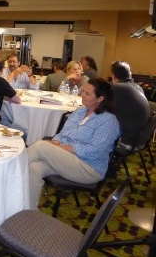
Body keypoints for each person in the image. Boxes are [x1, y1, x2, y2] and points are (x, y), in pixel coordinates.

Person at [26, 78, 120, 209]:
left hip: (89, 168)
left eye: (88, 94)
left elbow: (95, 150)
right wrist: (56, 142)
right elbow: (62, 134)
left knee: (41, 146)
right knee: (34, 168)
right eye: (83, 92)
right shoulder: (80, 111)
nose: (82, 95)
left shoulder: (108, 120)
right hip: (67, 161)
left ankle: (10, 167)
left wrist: (61, 147)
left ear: (100, 99)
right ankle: (28, 211)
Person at [110, 61, 149, 152]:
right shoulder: (137, 87)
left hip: (125, 143)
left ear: (113, 75)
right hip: (138, 139)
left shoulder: (117, 88)